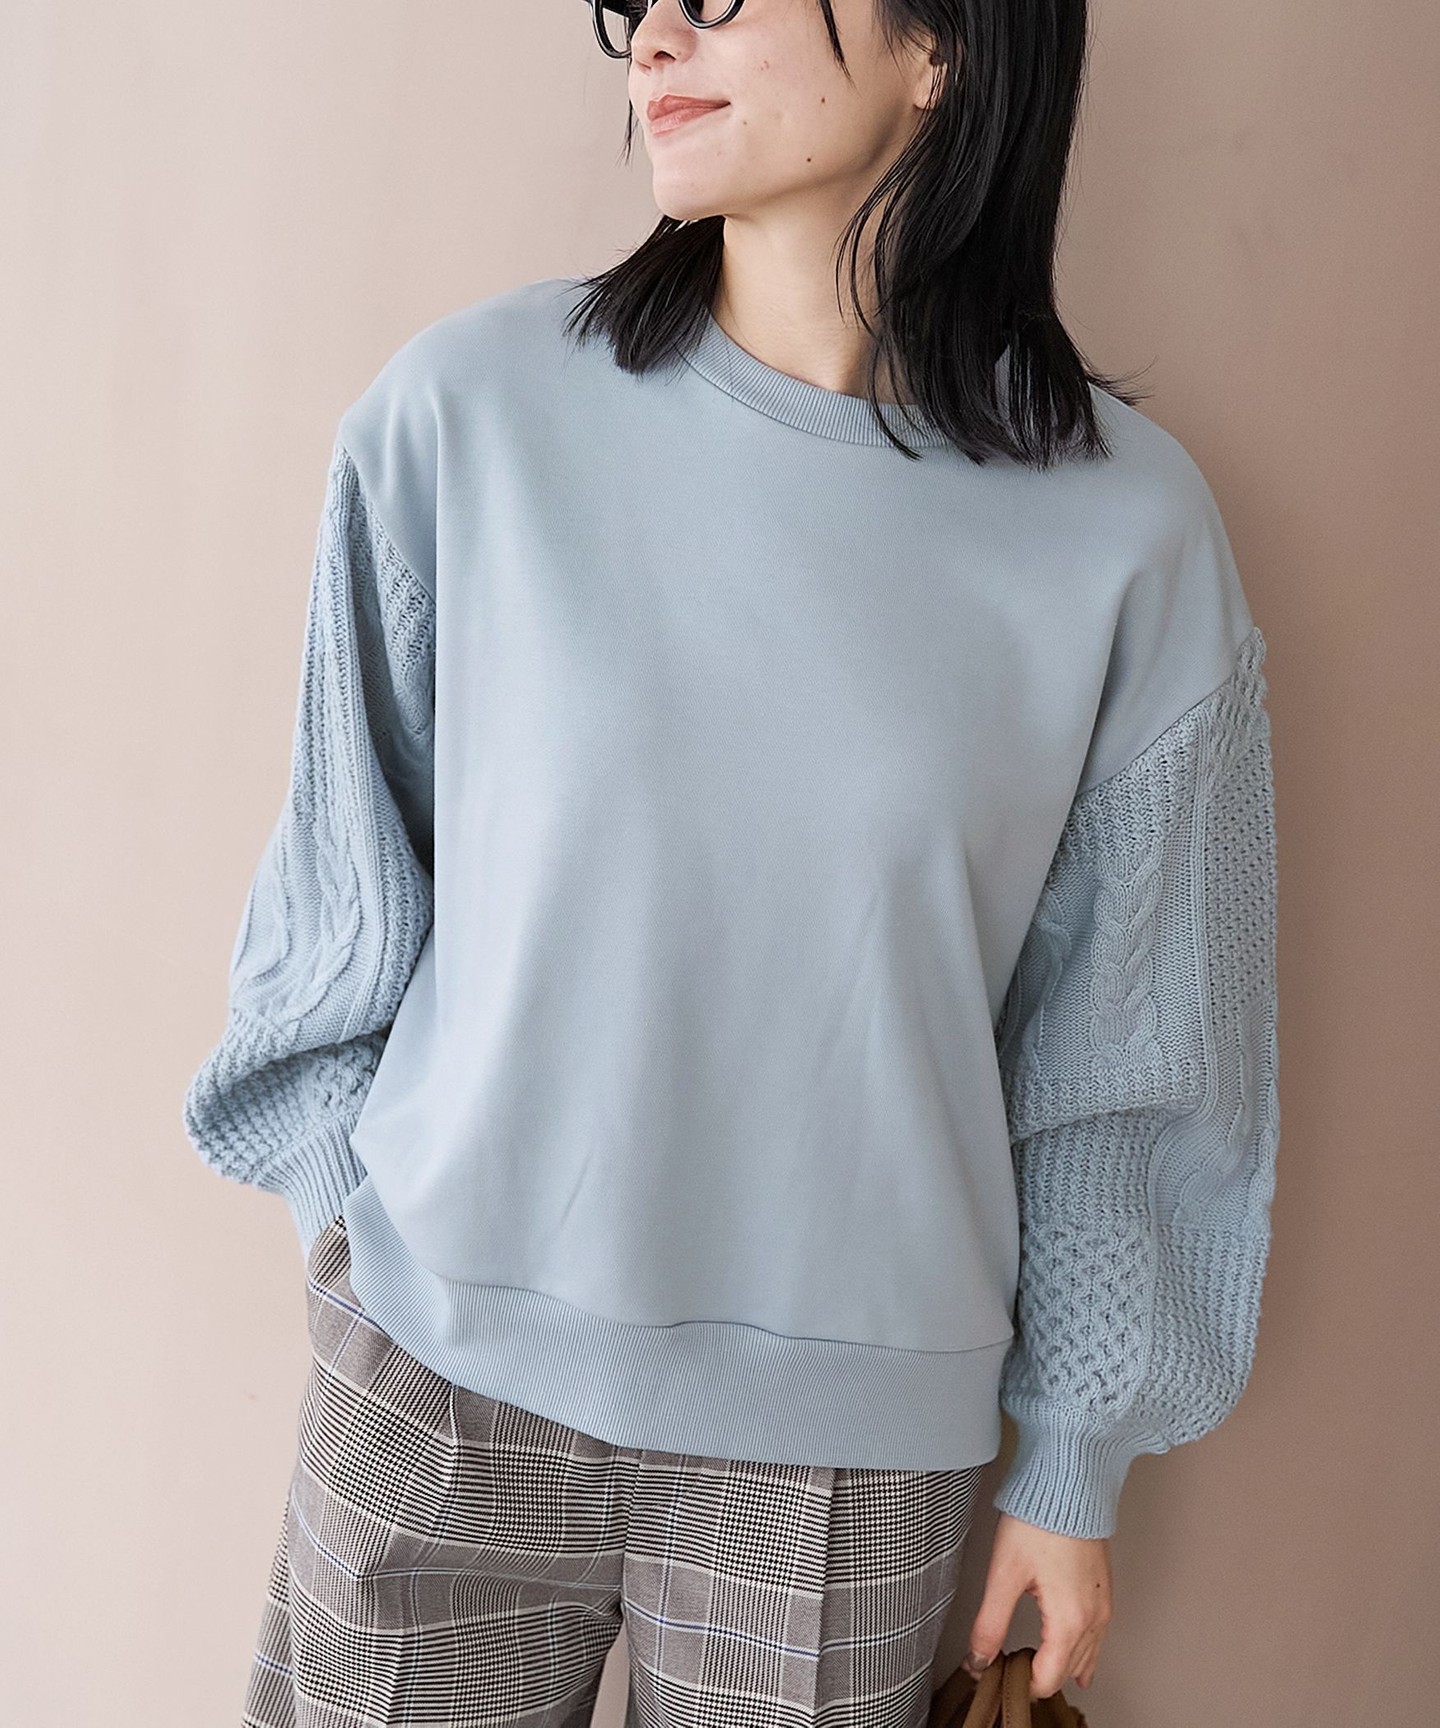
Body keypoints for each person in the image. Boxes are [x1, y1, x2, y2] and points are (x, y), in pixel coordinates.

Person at [182, 1, 1281, 1722]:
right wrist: (365, 1248)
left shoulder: (1127, 535)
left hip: (841, 1462)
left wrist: (1071, 1464)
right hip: (435, 1392)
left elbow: (1131, 1062)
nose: (656, 35)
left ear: (943, 45)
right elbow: (340, 896)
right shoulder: (466, 416)